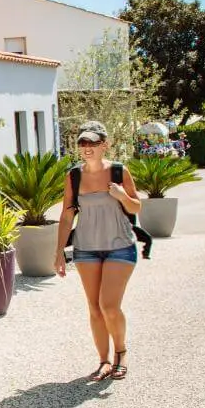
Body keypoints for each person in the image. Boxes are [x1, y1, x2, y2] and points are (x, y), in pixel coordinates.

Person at [56, 121, 142, 381]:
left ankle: (121, 353)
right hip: (86, 249)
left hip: (120, 246)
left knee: (109, 306)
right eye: (83, 143)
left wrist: (121, 196)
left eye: (93, 143)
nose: (87, 148)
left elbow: (136, 207)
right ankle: (104, 361)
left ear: (105, 145)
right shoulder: (74, 176)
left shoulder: (119, 171)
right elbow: (67, 214)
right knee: (94, 308)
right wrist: (59, 251)